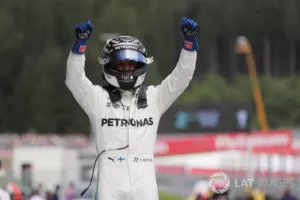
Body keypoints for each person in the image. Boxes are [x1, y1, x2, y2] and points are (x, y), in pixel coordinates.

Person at [65, 17, 199, 200]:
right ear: (109, 65)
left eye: (131, 63)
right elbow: (74, 81)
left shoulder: (154, 98)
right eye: (121, 63)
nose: (127, 69)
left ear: (142, 65)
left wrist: (189, 45)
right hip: (110, 185)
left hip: (145, 185)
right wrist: (79, 49)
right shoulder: (97, 98)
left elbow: (181, 78)